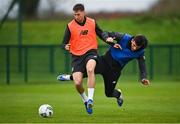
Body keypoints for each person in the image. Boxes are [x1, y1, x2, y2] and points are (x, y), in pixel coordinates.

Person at [58, 31, 150, 107]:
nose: (134, 48)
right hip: (104, 61)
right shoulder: (124, 37)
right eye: (133, 45)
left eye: (136, 47)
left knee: (108, 94)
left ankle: (118, 94)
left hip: (114, 71)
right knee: (84, 72)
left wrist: (143, 78)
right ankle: (69, 77)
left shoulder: (140, 52)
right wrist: (108, 38)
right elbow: (105, 33)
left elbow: (142, 65)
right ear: (132, 40)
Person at [61, 3, 113, 115]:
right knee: (78, 83)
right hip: (76, 56)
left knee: (90, 69)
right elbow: (63, 43)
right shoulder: (70, 26)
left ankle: (91, 99)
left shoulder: (92, 22)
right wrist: (65, 46)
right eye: (74, 15)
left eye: (78, 14)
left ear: (83, 12)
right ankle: (85, 100)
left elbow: (101, 33)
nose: (76, 17)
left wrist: (107, 39)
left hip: (90, 52)